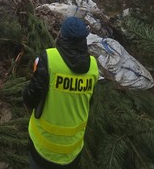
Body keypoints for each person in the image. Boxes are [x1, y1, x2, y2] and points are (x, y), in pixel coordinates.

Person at [23, 16, 99, 169]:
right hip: (73, 151)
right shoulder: (93, 66)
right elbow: (89, 101)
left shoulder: (49, 58)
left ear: (62, 36)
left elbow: (31, 97)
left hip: (43, 147)